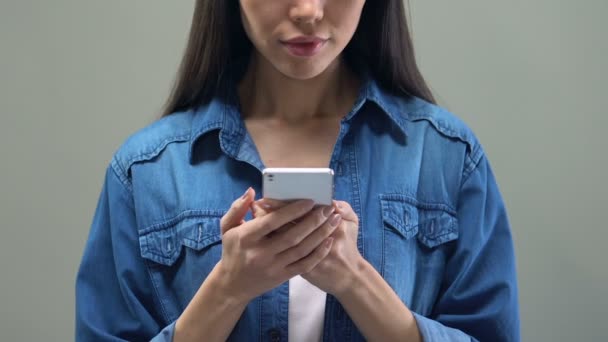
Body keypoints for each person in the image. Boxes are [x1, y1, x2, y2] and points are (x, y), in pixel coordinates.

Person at [75, 1, 520, 341]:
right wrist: (228, 289)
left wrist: (354, 280)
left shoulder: (447, 156)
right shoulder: (146, 170)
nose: (307, 10)